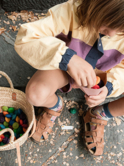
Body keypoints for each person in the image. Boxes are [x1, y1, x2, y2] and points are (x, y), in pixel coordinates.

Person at [14, 0, 124, 156]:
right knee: (35, 94)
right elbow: (26, 37)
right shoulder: (71, 11)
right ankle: (54, 105)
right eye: (106, 24)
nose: (112, 34)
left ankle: (101, 113)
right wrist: (67, 58)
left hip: (104, 75)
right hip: (63, 69)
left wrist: (110, 86)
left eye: (121, 30)